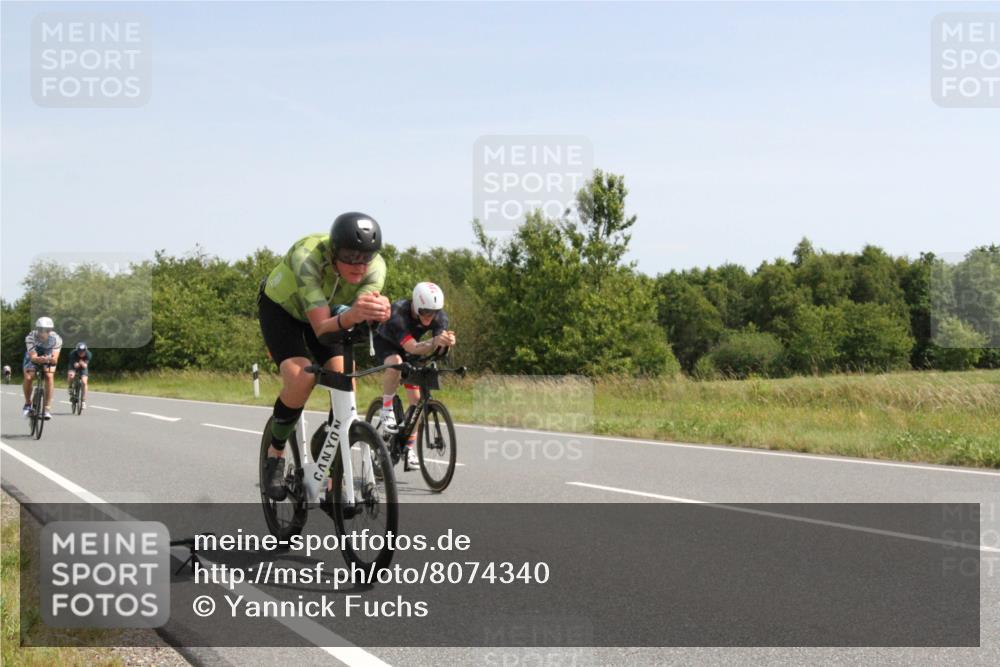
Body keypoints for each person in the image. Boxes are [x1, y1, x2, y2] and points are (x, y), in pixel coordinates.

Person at [258, 212, 391, 500]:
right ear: (333, 252)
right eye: (350, 256)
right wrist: (354, 315)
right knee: (301, 376)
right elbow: (321, 329)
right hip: (283, 310)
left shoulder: (376, 268)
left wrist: (375, 313)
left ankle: (331, 463)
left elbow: (359, 310)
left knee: (345, 380)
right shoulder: (307, 258)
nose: (359, 265)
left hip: (327, 311)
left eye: (366, 257)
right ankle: (275, 451)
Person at [374, 282, 456, 470]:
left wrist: (446, 343)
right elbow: (411, 347)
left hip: (412, 349)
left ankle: (408, 448)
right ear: (416, 305)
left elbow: (437, 346)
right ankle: (386, 407)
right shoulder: (398, 313)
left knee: (417, 401)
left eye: (433, 312)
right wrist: (434, 341)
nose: (429, 316)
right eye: (425, 312)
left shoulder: (439, 316)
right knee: (396, 363)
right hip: (386, 343)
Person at [22, 317, 62, 420]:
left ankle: (47, 408)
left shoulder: (56, 339)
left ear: (51, 330)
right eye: (41, 330)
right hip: (34, 354)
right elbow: (33, 357)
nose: (44, 333)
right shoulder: (30, 337)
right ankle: (27, 403)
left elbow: (55, 358)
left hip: (48, 354)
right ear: (38, 329)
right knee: (29, 377)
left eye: (48, 330)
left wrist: (51, 360)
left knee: (49, 376)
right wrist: (38, 359)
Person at [66, 342, 92, 408]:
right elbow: (74, 365)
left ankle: (83, 401)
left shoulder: (88, 354)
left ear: (85, 350)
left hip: (83, 367)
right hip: (73, 366)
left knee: (84, 382)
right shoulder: (72, 353)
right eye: (79, 351)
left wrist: (82, 363)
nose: (81, 353)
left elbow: (85, 366)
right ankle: (70, 387)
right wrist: (77, 363)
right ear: (77, 350)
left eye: (83, 351)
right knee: (71, 375)